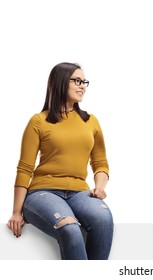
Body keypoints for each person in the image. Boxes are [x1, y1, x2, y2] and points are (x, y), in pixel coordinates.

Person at [7, 62, 114, 260]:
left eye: (85, 82)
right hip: (42, 193)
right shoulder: (39, 121)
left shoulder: (90, 121)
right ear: (61, 82)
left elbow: (100, 162)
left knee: (103, 219)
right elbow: (24, 168)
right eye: (77, 81)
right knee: (69, 228)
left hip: (80, 193)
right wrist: (16, 212)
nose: (83, 86)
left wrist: (99, 186)